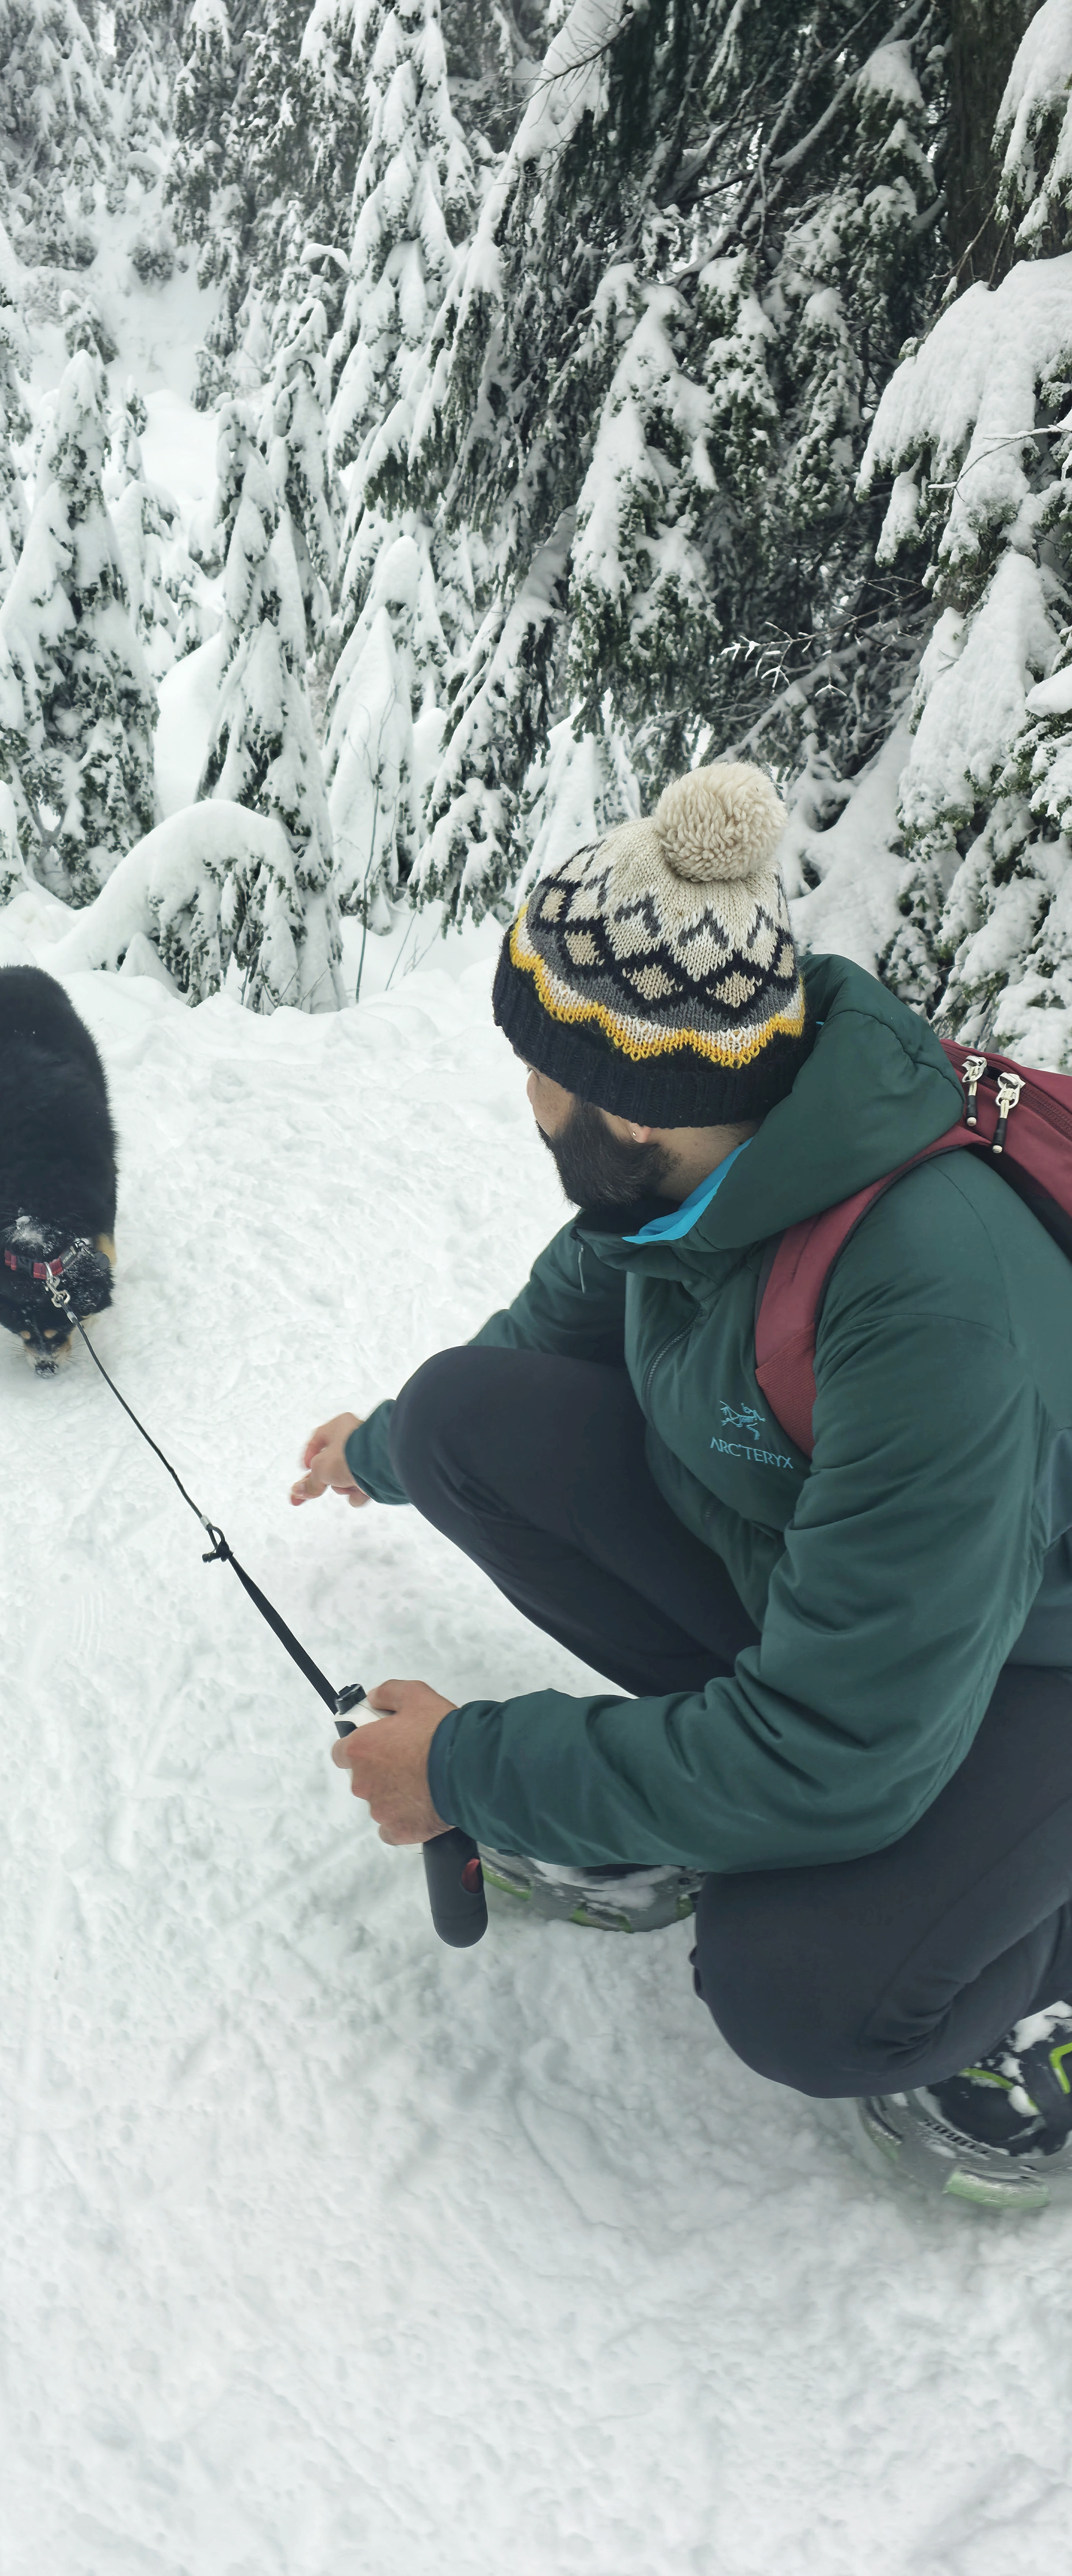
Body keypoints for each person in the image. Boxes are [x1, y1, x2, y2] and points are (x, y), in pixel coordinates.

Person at [292, 761, 1072, 2209]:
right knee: (465, 1419)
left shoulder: (927, 1304)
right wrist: (380, 1450)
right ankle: (699, 1804)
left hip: (1037, 1660)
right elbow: (538, 1345)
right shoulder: (717, 1156)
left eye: (539, 1069)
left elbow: (839, 1749)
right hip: (889, 1619)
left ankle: (1030, 1967)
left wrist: (471, 1771)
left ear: (631, 1107)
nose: (526, 1099)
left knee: (805, 1990)